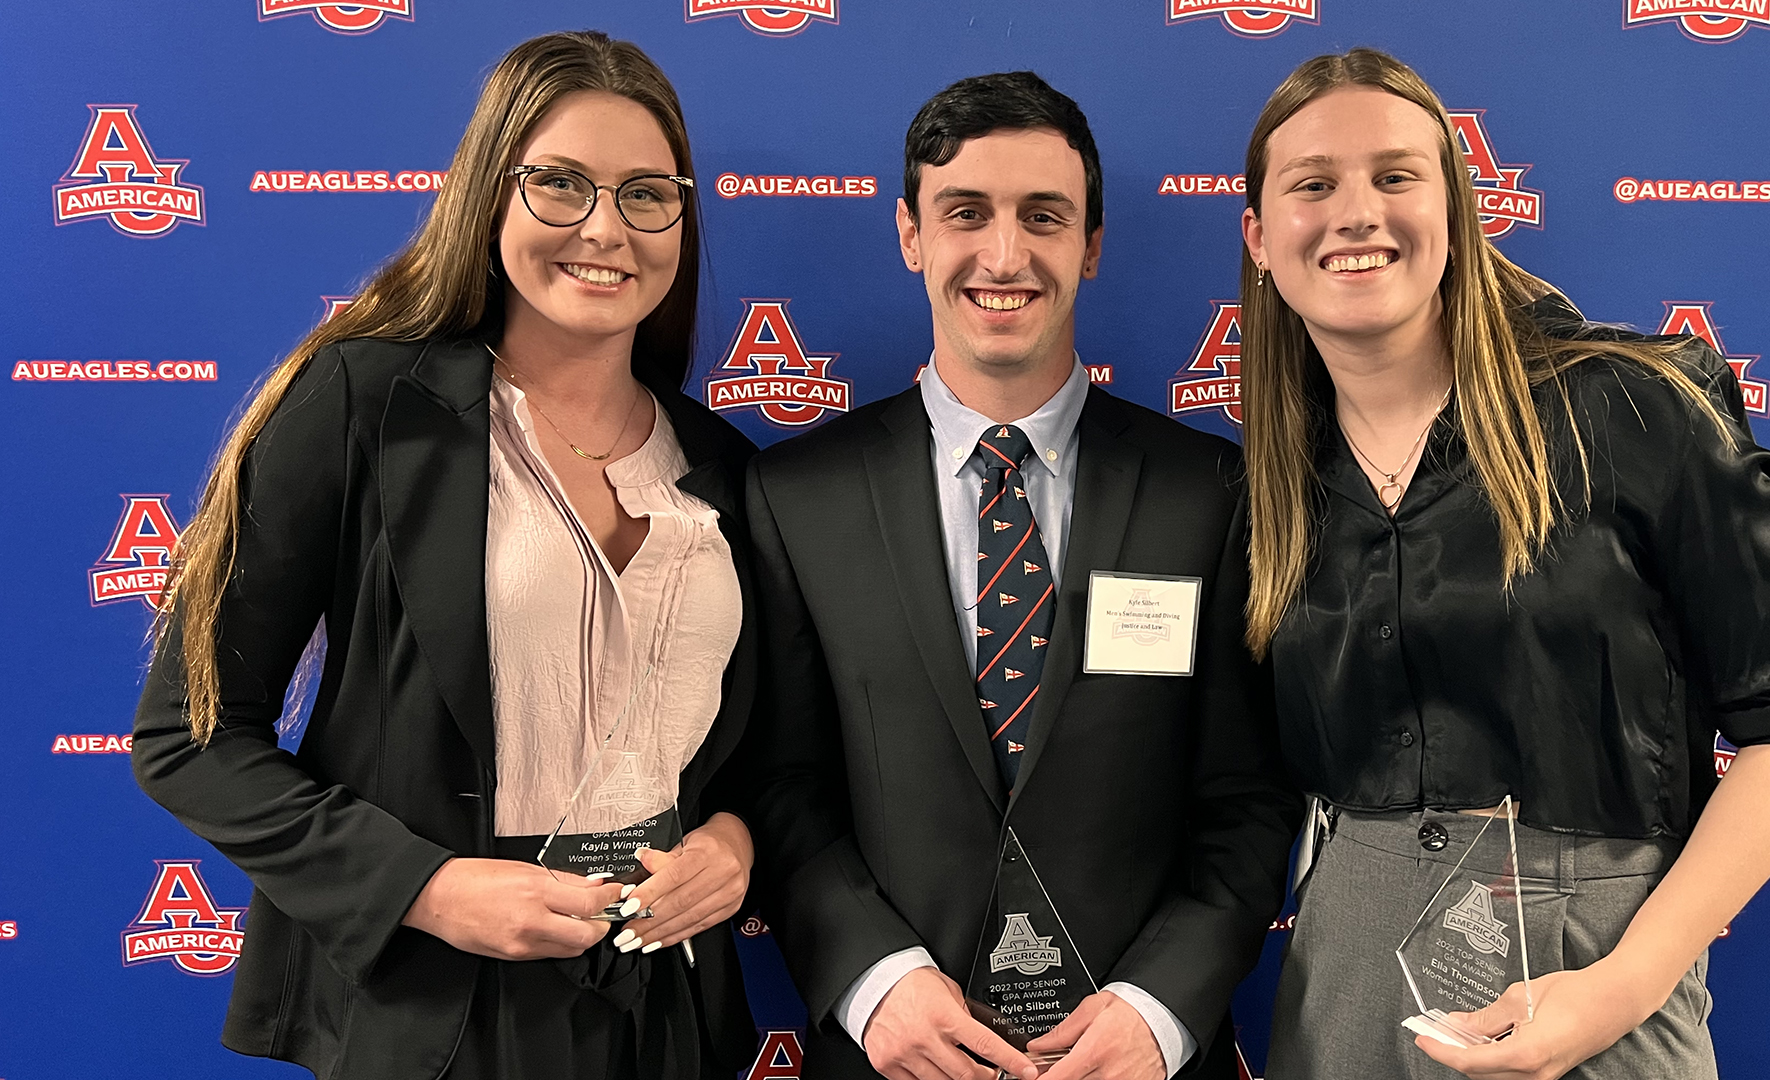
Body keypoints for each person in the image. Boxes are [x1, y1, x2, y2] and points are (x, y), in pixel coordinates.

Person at [132, 31, 761, 1080]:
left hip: (666, 1005)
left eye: (648, 193)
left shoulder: (728, 466)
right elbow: (188, 737)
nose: (607, 228)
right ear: (489, 194)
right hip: (437, 1009)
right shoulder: (362, 407)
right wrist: (426, 887)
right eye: (560, 184)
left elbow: (769, 755)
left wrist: (734, 843)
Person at [1235, 48, 1770, 1080]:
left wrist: (1632, 978)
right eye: (1313, 185)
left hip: (1594, 971)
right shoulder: (1269, 481)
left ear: (1457, 210)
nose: (1356, 212)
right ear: (1260, 236)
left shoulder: (1632, 405)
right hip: (1342, 968)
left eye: (1396, 176)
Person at [744, 71, 1296, 1080]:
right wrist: (874, 981)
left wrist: (1159, 1009)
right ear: (911, 234)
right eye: (966, 213)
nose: (1005, 255)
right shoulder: (797, 496)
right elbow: (780, 791)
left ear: (1089, 245)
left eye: (1044, 217)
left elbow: (1252, 799)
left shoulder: (1209, 492)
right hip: (895, 1059)